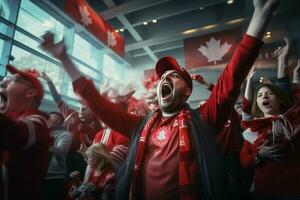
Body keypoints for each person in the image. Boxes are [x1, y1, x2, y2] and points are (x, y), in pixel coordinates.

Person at [40, 0, 280, 199]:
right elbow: (96, 103)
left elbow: (231, 78)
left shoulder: (204, 119)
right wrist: (64, 59)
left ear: (187, 92)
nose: (165, 77)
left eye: (174, 76)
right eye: (162, 76)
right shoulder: (138, 126)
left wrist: (260, 15)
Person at [0, 64, 52, 200]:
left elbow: (14, 134)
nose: (3, 82)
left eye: (11, 80)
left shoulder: (38, 122)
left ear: (31, 93)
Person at [43, 112, 73, 200]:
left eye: (52, 116)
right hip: (39, 174)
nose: (49, 118)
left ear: (59, 120)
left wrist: (43, 145)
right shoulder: (43, 132)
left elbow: (61, 151)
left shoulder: (65, 134)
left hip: (55, 176)